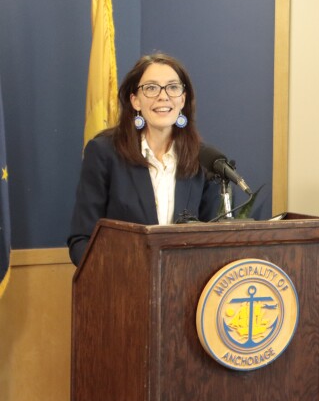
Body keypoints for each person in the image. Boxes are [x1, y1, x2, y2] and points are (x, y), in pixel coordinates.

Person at [67, 53, 220, 266]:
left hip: (184, 283)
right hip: (120, 281)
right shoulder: (104, 153)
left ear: (183, 100)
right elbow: (82, 241)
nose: (163, 96)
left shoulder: (204, 160)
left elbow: (213, 242)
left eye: (173, 87)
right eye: (151, 88)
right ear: (135, 100)